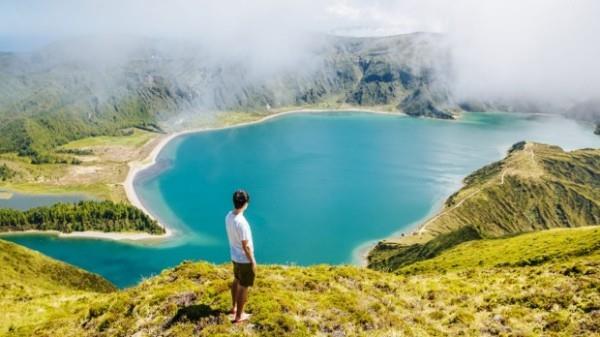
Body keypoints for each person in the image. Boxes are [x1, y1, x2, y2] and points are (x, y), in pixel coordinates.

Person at [225, 189, 256, 323]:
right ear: (245, 203)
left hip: (234, 257)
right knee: (244, 286)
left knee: (236, 280)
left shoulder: (229, 216)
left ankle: (234, 308)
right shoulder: (242, 222)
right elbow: (246, 246)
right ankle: (239, 316)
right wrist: (253, 261)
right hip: (244, 260)